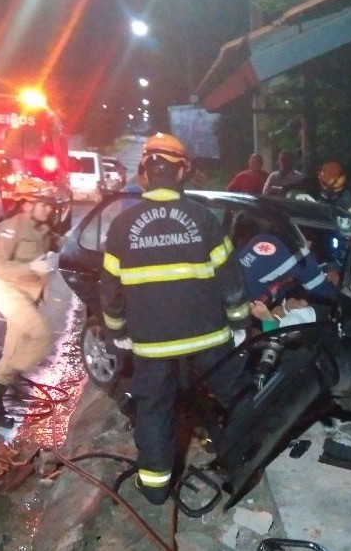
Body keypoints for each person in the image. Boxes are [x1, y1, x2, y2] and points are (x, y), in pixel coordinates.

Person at [100, 132, 252, 506]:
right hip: (208, 337)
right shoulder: (203, 218)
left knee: (153, 408)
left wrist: (117, 333)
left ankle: (154, 486)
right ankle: (246, 464)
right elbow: (231, 281)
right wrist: (240, 327)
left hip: (152, 344)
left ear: (146, 172)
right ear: (182, 172)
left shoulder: (122, 226)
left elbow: (110, 293)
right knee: (238, 395)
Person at [0, 178, 62, 427]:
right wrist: (31, 266)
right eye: (43, 204)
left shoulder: (44, 231)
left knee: (13, 348)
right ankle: (7, 377)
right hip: (10, 292)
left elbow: (56, 247)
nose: (48, 210)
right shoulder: (11, 227)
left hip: (30, 296)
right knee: (40, 335)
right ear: (27, 204)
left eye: (51, 206)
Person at [236, 232, 339, 306]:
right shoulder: (301, 258)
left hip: (231, 286)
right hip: (247, 303)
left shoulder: (262, 237)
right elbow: (327, 296)